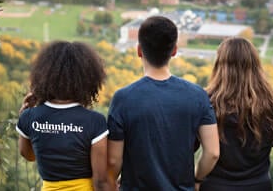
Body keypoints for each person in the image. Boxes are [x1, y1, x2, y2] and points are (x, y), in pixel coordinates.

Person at [107, 15, 220, 190]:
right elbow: (213, 153)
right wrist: (197, 179)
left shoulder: (123, 99)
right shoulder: (198, 95)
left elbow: (114, 160)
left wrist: (113, 181)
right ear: (174, 50)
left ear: (139, 51)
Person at [200, 37, 273, 191]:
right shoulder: (270, 102)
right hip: (258, 185)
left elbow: (188, 146)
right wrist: (265, 136)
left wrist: (196, 178)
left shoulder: (205, 101)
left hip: (215, 186)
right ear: (255, 65)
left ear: (219, 66)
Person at [16, 41, 110, 191]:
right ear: (88, 79)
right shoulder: (95, 122)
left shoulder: (29, 117)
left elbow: (28, 155)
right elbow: (100, 181)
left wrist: (24, 115)